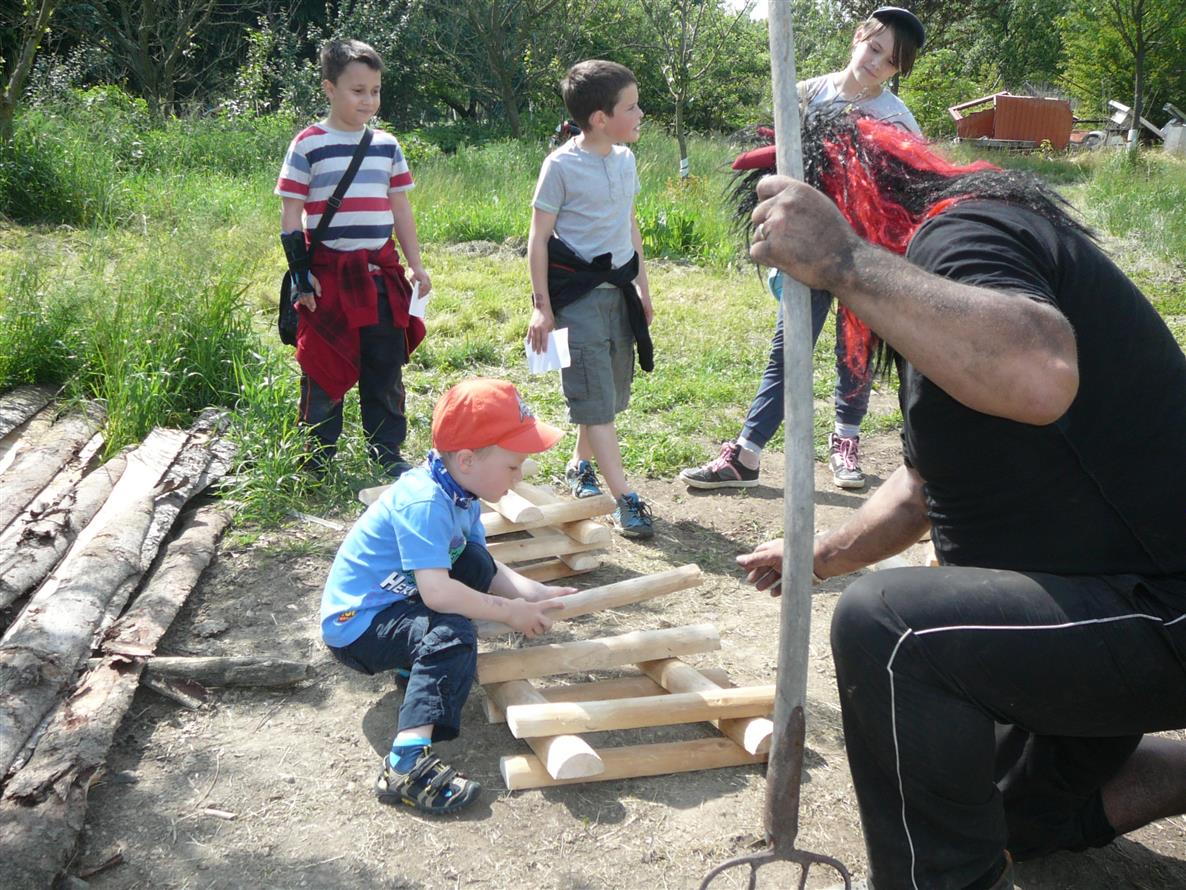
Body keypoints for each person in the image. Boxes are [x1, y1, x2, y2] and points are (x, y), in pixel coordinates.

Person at [736, 107, 1186, 889]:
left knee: (892, 630)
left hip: (1161, 609)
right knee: (995, 813)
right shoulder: (941, 305)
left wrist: (844, 260)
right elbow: (923, 485)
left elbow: (1040, 372)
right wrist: (818, 555)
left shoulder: (963, 233)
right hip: (1104, 619)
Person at [680, 6, 924, 493]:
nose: (876, 64)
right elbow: (775, 172)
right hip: (806, 251)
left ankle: (846, 441)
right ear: (859, 36)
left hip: (863, 254)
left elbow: (910, 193)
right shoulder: (804, 93)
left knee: (855, 350)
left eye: (890, 62)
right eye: (875, 48)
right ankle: (746, 455)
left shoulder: (898, 119)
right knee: (788, 349)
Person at [320, 378, 576, 814]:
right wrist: (510, 612)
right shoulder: (425, 503)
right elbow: (438, 594)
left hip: (396, 605)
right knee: (452, 632)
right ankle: (404, 764)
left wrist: (538, 595)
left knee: (472, 559)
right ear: (468, 459)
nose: (519, 477)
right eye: (512, 467)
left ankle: (416, 665)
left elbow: (483, 567)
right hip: (356, 627)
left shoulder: (461, 493)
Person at [276, 39, 431, 479]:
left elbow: (401, 209)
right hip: (326, 278)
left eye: (375, 91)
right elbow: (290, 216)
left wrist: (416, 264)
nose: (368, 100)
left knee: (385, 367)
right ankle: (315, 459)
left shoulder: (386, 145)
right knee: (323, 365)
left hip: (381, 277)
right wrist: (301, 275)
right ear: (329, 88)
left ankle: (387, 451)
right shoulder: (308, 144)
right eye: (358, 90)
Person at [527, 59, 656, 539]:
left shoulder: (625, 160)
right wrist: (541, 306)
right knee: (594, 396)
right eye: (631, 107)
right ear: (600, 118)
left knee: (607, 394)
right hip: (577, 300)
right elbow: (538, 239)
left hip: (618, 294)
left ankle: (579, 465)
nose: (640, 114)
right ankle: (624, 497)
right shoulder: (560, 166)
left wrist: (642, 286)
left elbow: (629, 224)